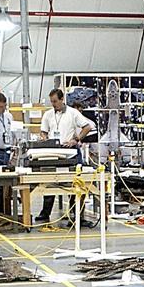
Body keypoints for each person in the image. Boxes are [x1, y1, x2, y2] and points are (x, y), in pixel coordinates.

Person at [38, 88, 93, 223]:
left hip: (70, 151)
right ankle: (45, 213)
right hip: (53, 152)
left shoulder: (73, 113)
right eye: (51, 102)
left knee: (76, 183)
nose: (53, 104)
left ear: (62, 100)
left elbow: (87, 127)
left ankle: (78, 216)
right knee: (49, 182)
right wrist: (44, 138)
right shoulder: (48, 115)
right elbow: (44, 131)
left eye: (55, 101)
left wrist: (76, 139)